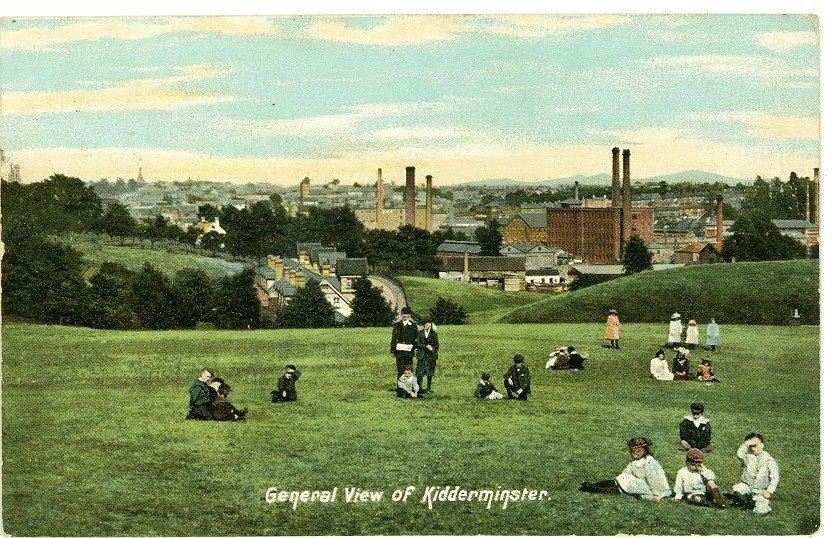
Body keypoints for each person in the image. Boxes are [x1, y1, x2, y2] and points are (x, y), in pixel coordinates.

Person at [579, 437, 671, 501]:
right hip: (638, 486)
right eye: (633, 451)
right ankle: (593, 486)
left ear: (644, 450)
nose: (635, 452)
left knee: (624, 481)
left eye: (638, 450)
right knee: (621, 480)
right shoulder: (633, 463)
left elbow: (656, 482)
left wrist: (656, 495)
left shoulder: (650, 463)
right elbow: (623, 476)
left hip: (650, 490)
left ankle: (595, 489)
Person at [725, 433, 779, 515]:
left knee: (761, 510)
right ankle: (745, 500)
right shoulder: (747, 457)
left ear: (762, 445)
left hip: (761, 490)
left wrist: (769, 491)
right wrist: (747, 443)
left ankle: (750, 502)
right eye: (751, 446)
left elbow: (775, 478)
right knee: (737, 489)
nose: (753, 449)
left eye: (755, 445)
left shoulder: (769, 460)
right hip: (747, 486)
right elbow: (739, 454)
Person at [391, 307, 418, 379]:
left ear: (409, 315)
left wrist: (413, 348)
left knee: (408, 369)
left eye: (406, 314)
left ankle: (408, 386)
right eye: (403, 314)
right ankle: (400, 387)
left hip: (409, 351)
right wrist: (393, 351)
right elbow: (394, 338)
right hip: (399, 351)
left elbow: (416, 338)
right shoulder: (397, 325)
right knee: (400, 369)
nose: (404, 316)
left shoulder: (413, 326)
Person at [415, 319, 439, 394]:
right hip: (421, 355)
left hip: (430, 356)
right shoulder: (420, 333)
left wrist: (433, 349)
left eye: (429, 324)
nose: (427, 326)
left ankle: (429, 388)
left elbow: (437, 345)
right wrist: (426, 346)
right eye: (426, 324)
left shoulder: (433, 334)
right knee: (419, 373)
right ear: (423, 325)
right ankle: (419, 388)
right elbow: (417, 344)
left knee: (429, 373)